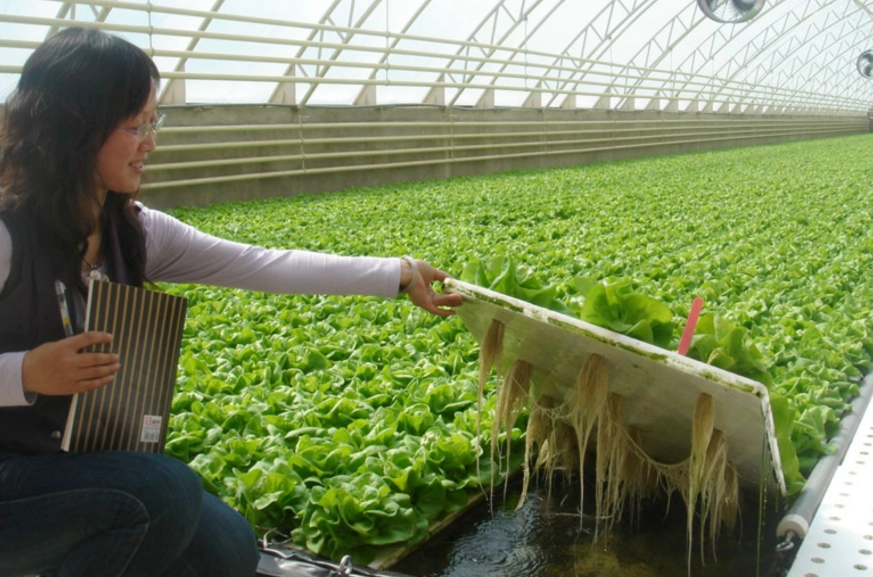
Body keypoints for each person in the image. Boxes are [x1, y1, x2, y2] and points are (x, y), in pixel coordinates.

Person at [0, 27, 463, 577]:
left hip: (69, 466)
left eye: (155, 121)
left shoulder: (131, 229)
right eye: (137, 124)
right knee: (163, 491)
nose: (152, 141)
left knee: (228, 545)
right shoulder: (8, 236)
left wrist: (399, 274)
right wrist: (25, 372)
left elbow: (262, 264)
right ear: (76, 128)